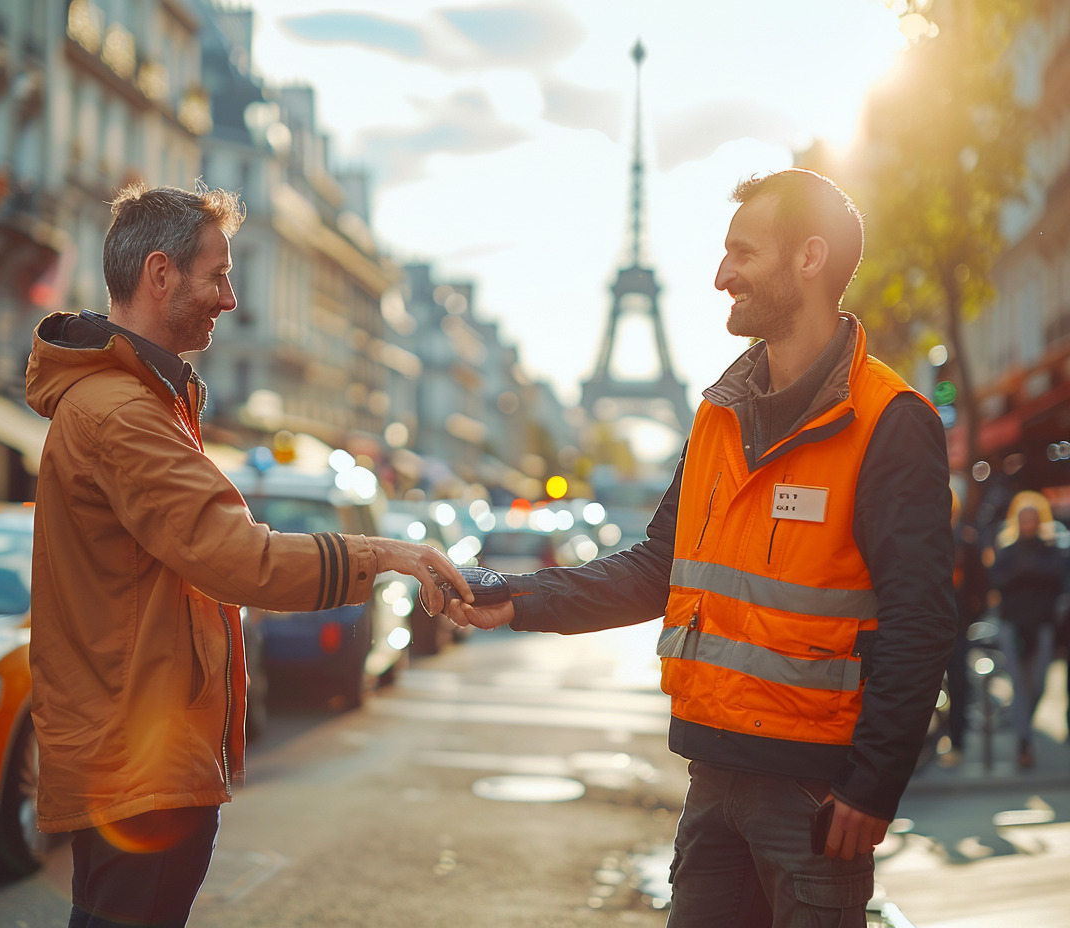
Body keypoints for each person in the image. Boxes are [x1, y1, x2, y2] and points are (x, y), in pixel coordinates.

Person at [447, 169, 956, 928]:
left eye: (742, 253)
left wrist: (872, 785)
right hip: (712, 780)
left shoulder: (890, 421)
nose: (720, 276)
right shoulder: (720, 415)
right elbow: (660, 564)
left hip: (813, 796)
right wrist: (516, 595)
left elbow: (921, 620)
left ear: (809, 259)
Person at [25, 181, 472, 928]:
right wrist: (386, 554)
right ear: (160, 273)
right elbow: (238, 557)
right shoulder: (123, 412)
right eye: (219, 274)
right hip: (139, 755)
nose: (230, 298)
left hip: (147, 746)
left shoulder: (144, 400)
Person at [987, 489, 1065, 768]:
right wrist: (1028, 573)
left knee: (1039, 684)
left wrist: (1028, 572)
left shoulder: (1052, 551)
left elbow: (1057, 579)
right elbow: (997, 581)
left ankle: (1023, 725)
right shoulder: (1007, 551)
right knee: (1020, 685)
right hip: (1013, 626)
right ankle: (1024, 741)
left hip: (1041, 625)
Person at [942, 488, 988, 766]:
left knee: (959, 685)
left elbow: (980, 584)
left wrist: (971, 615)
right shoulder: (925, 542)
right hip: (930, 625)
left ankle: (956, 742)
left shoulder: (966, 542)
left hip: (958, 626)